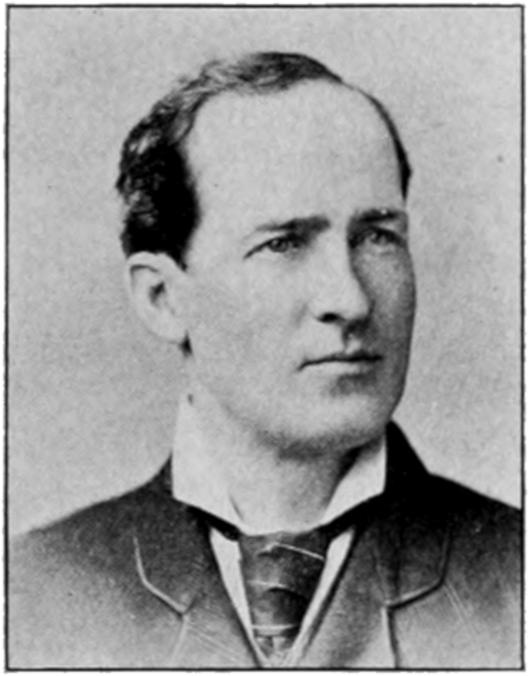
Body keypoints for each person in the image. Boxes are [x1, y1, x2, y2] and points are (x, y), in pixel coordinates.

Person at [9, 52, 520, 669]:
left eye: (377, 236)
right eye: (283, 243)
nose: (350, 299)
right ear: (162, 298)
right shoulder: (32, 594)